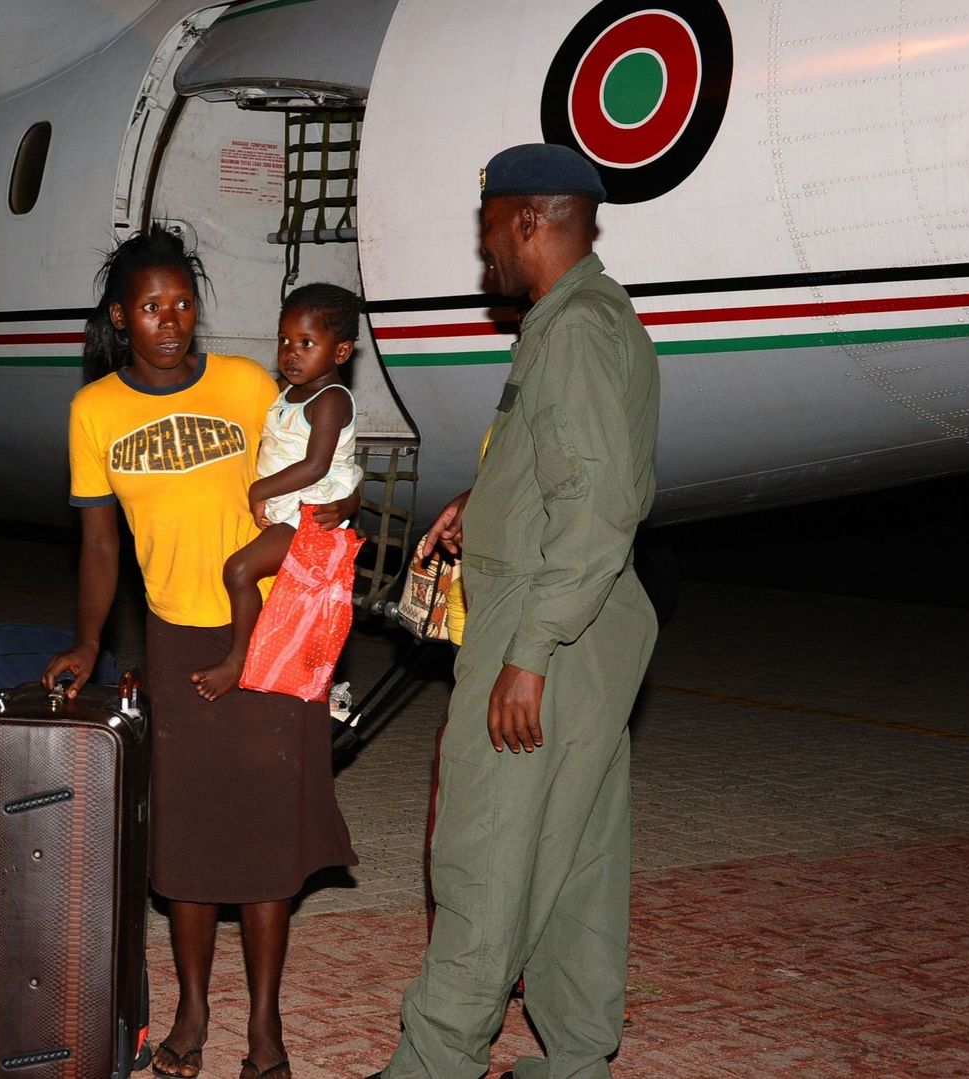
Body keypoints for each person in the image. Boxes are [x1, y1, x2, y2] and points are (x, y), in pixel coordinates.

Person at [365, 143, 660, 1079]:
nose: (483, 242)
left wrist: (528, 652)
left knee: (485, 850)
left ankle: (434, 1060)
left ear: (529, 219)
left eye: (490, 221)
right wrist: (484, 497)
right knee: (573, 857)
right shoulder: (586, 319)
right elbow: (568, 467)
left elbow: (603, 499)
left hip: (550, 625)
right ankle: (577, 1059)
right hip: (594, 620)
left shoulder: (569, 331)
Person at [43, 229, 357, 1079]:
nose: (172, 320)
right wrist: (87, 638)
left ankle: (266, 1027)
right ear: (120, 317)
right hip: (178, 635)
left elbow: (326, 468)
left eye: (184, 302)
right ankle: (190, 1009)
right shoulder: (95, 410)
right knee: (186, 842)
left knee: (265, 841)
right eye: (151, 306)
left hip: (273, 631)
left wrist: (335, 527)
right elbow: (101, 544)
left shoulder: (249, 385)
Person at [190, 283, 364, 701]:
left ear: (340, 352)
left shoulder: (331, 399)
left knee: (239, 570)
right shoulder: (289, 392)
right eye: (284, 340)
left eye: (306, 343)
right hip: (289, 504)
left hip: (309, 509)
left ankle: (237, 660)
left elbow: (316, 464)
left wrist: (259, 488)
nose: (291, 352)